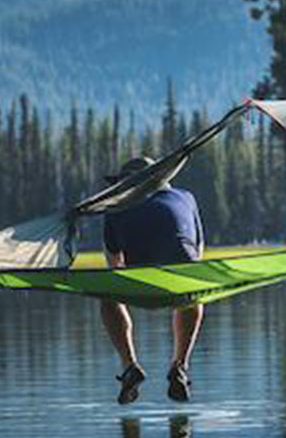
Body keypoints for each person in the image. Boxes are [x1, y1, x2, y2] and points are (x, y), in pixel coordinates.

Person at [99, 156, 205, 404]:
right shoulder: (186, 197)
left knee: (108, 297)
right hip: (182, 280)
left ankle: (129, 366)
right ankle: (180, 365)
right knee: (195, 292)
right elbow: (198, 252)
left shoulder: (115, 206)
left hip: (142, 279)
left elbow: (114, 265)